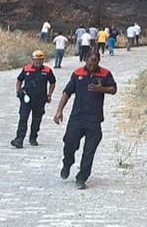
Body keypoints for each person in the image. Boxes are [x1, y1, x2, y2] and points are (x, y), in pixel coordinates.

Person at [54, 51, 117, 190]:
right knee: (69, 143)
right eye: (90, 60)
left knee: (89, 150)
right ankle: (67, 163)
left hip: (94, 119)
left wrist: (101, 89)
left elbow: (113, 89)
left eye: (95, 60)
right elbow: (67, 92)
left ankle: (82, 177)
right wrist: (59, 111)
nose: (92, 63)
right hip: (77, 117)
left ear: (98, 61)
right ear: (85, 59)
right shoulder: (77, 73)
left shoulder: (105, 74)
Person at [11, 50, 56, 148]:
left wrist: (49, 95)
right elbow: (19, 80)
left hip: (40, 100)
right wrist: (18, 91)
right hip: (26, 99)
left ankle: (33, 138)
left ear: (43, 60)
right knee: (23, 118)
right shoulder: (26, 69)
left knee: (36, 120)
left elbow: (52, 82)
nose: (38, 62)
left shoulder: (47, 71)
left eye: (40, 60)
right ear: (33, 59)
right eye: (36, 60)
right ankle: (19, 139)